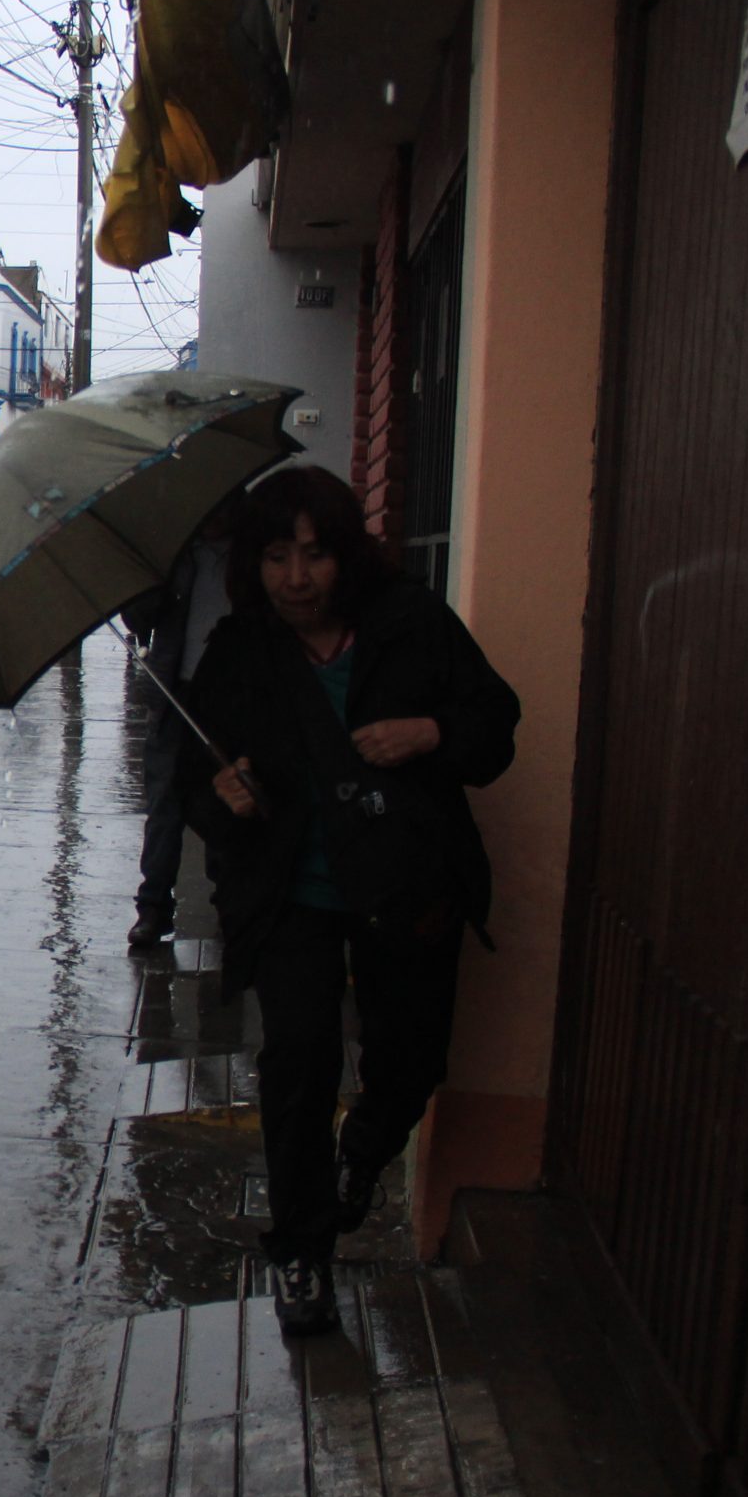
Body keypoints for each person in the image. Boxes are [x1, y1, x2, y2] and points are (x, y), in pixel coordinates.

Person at [178, 466, 520, 1335]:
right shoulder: (240, 653)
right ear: (253, 564)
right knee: (298, 1062)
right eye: (277, 556)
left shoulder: (411, 626)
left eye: (316, 554)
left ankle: (362, 1151)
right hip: (290, 893)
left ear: (346, 556)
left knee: (411, 1058)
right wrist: (223, 792)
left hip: (405, 885)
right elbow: (190, 781)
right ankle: (300, 1251)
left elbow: (495, 724)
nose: (297, 577)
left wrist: (432, 731)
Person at [124, 508, 235, 951]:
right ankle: (153, 907)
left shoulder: (252, 555)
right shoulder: (177, 553)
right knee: (164, 801)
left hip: (232, 695)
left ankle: (229, 899)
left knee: (226, 799)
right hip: (176, 693)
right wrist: (146, 584)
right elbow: (139, 620)